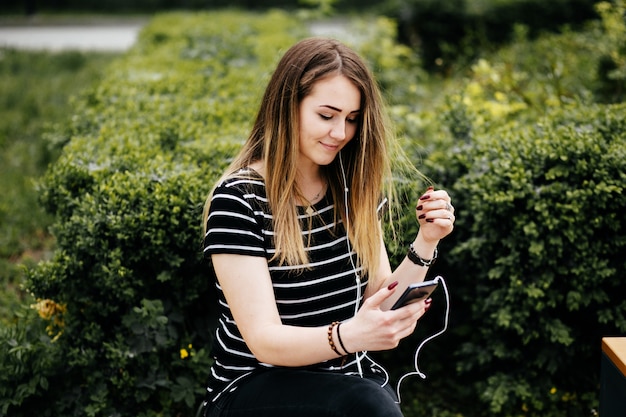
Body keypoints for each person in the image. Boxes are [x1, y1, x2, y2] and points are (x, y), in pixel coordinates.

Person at [200, 37, 455, 417]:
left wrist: (426, 241)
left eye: (352, 119)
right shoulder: (239, 200)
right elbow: (264, 341)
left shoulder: (349, 190)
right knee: (367, 403)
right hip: (253, 387)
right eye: (326, 115)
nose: (341, 133)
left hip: (344, 382)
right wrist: (352, 335)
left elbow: (380, 298)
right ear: (288, 107)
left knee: (368, 398)